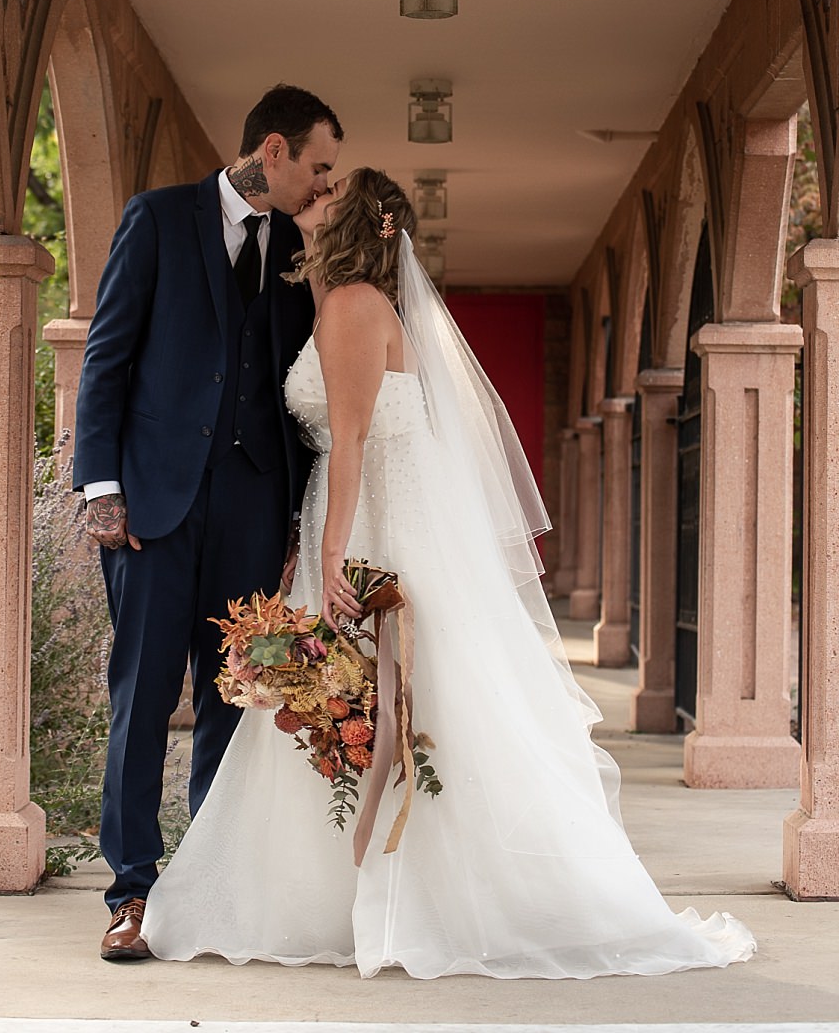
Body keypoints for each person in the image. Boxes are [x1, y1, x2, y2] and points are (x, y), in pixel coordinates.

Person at [140, 168, 756, 977]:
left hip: (375, 529)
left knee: (406, 699)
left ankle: (431, 894)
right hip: (354, 514)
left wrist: (330, 559)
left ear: (352, 220)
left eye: (327, 191)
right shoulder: (338, 302)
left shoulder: (355, 306)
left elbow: (352, 441)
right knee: (347, 704)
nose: (311, 193)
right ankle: (331, 895)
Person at [73, 83, 341, 961]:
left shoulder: (298, 253)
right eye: (318, 165)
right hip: (153, 509)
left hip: (256, 514)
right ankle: (132, 895)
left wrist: (300, 516)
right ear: (273, 150)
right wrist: (102, 490)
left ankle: (209, 887)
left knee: (238, 703)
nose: (324, 183)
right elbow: (106, 357)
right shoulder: (155, 221)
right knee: (143, 699)